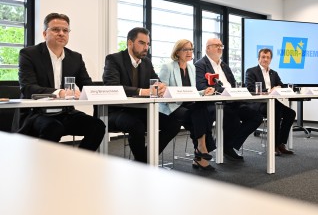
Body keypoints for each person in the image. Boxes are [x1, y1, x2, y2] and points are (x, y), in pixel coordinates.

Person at [13, 13, 105, 151]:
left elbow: (87, 85)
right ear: (45, 33)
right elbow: (28, 88)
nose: (61, 33)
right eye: (56, 29)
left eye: (65, 30)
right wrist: (59, 93)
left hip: (65, 112)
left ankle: (79, 164)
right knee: (53, 127)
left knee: (97, 126)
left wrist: (102, 92)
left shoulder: (75, 58)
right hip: (37, 113)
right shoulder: (29, 54)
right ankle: (44, 168)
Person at [102, 27, 180, 163]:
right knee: (136, 125)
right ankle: (144, 161)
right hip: (117, 110)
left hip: (140, 109)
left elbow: (156, 81)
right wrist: (141, 91)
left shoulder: (146, 63)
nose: (146, 47)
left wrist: (161, 86)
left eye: (148, 44)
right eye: (142, 43)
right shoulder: (114, 59)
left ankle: (143, 160)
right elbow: (112, 87)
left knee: (174, 123)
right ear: (130, 43)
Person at [195, 38, 263, 160]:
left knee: (256, 117)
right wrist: (225, 92)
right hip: (215, 103)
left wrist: (238, 91)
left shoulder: (224, 65)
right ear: (208, 48)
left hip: (233, 101)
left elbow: (233, 83)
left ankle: (229, 145)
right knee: (232, 117)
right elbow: (201, 86)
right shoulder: (200, 65)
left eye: (221, 45)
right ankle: (226, 147)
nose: (220, 48)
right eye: (217, 45)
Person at [159, 39, 216, 171]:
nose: (189, 52)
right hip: (171, 105)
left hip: (188, 103)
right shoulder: (167, 67)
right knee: (196, 114)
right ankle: (201, 149)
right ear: (177, 52)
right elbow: (161, 91)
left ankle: (200, 150)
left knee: (203, 109)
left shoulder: (191, 67)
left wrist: (203, 91)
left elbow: (192, 91)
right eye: (186, 49)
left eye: (191, 49)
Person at [245, 48, 296, 156]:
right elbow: (250, 89)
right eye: (263, 57)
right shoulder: (251, 71)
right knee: (276, 111)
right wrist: (269, 91)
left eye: (268, 57)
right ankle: (273, 145)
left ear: (271, 60)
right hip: (259, 103)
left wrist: (281, 88)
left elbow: (281, 85)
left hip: (273, 102)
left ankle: (281, 143)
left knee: (291, 113)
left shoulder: (274, 73)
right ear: (259, 58)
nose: (265, 59)